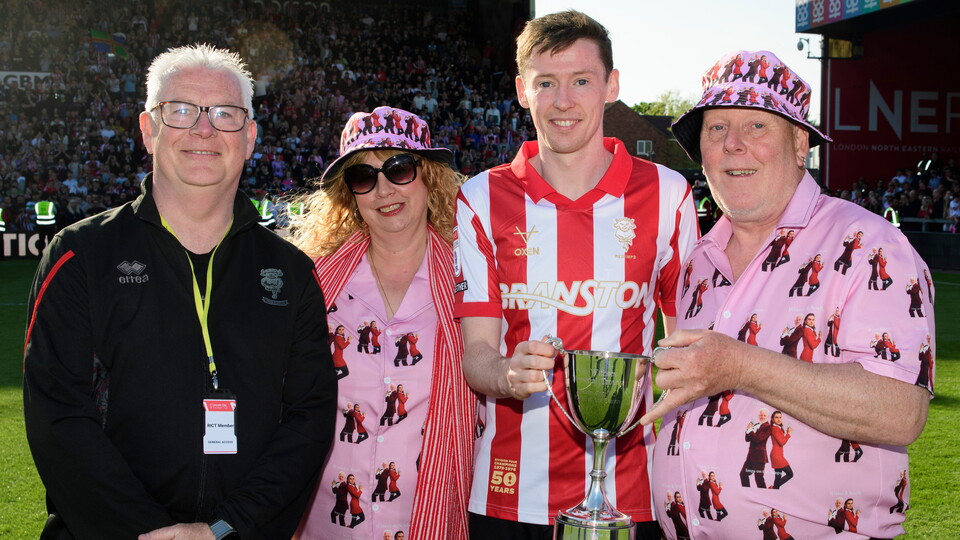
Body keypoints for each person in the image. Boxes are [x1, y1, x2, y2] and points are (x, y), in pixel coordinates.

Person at [22, 44, 337, 540]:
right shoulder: (81, 254)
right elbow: (58, 419)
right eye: (182, 110)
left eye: (225, 114)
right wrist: (145, 532)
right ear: (149, 129)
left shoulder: (290, 271)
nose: (204, 129)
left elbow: (309, 419)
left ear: (250, 137)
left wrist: (225, 528)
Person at [645, 49, 935, 538]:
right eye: (716, 129)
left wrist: (738, 365)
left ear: (800, 143)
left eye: (756, 126)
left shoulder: (868, 244)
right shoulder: (699, 258)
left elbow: (901, 412)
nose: (733, 145)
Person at [454, 10, 698, 539]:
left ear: (611, 85)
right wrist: (504, 375)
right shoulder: (480, 199)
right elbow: (476, 354)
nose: (563, 100)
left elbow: (686, 349)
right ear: (522, 90)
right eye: (546, 83)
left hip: (633, 496)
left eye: (581, 80)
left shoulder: (668, 196)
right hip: (508, 496)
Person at [290, 106, 476, 539]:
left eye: (398, 168)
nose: (383, 189)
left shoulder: (475, 279)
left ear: (429, 175)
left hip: (430, 516)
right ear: (349, 194)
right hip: (323, 521)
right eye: (363, 177)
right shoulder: (314, 283)